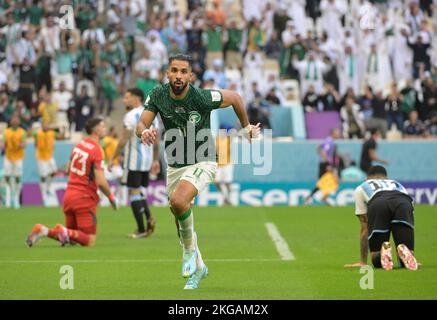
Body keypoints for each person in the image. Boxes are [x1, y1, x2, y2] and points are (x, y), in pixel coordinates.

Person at [135, 54, 260, 289]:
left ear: (191, 76)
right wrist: (144, 132)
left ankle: (189, 253)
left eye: (184, 72)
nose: (179, 75)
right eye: (174, 70)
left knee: (179, 201)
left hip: (203, 160)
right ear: (167, 73)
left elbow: (234, 97)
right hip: (175, 165)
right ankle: (200, 268)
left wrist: (246, 128)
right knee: (177, 211)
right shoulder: (157, 94)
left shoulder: (201, 97)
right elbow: (141, 123)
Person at [26, 118, 118, 247]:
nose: (105, 129)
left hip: (69, 196)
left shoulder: (78, 145)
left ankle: (43, 230)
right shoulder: (97, 150)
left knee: (73, 238)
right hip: (84, 198)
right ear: (96, 129)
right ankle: (63, 231)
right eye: (102, 126)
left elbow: (68, 170)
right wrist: (111, 197)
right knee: (89, 240)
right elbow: (101, 181)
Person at [345, 165, 418, 271]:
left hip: (378, 202)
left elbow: (365, 228)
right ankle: (408, 255)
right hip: (403, 203)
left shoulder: (363, 186)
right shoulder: (397, 184)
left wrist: (363, 262)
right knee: (405, 251)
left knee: (377, 258)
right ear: (387, 178)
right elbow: (410, 208)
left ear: (367, 178)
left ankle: (382, 254)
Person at [109, 88, 160, 239]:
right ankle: (149, 218)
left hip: (134, 160)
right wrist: (156, 160)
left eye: (127, 98)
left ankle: (141, 229)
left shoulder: (130, 116)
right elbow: (156, 142)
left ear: (136, 98)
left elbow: (123, 141)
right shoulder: (153, 116)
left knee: (133, 192)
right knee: (139, 191)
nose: (125, 101)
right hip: (147, 160)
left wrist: (113, 158)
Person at [3, 114, 26, 208]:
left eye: (16, 119)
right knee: (7, 177)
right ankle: (10, 196)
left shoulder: (22, 132)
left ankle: (16, 198)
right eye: (13, 119)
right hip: (8, 157)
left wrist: (22, 145)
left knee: (17, 177)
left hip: (18, 157)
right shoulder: (6, 132)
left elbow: (24, 144)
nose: (15, 121)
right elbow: (3, 144)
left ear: (19, 121)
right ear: (11, 121)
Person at [34, 121, 58, 203]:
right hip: (41, 157)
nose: (45, 126)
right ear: (41, 126)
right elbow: (35, 143)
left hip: (50, 156)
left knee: (54, 172)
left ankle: (47, 189)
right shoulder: (38, 133)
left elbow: (59, 135)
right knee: (43, 176)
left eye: (47, 125)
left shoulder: (52, 133)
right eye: (44, 125)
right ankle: (44, 195)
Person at [215, 126, 234, 206]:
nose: (222, 133)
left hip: (227, 164)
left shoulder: (228, 140)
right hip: (218, 165)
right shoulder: (216, 140)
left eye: (223, 132)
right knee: (217, 182)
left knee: (227, 182)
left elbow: (233, 135)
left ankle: (227, 198)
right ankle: (225, 197)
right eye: (220, 131)